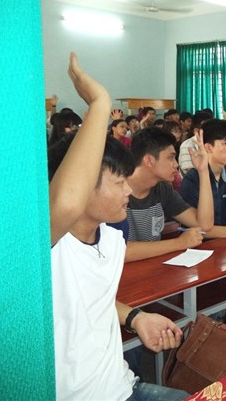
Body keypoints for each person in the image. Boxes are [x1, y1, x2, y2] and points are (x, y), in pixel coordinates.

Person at [49, 53, 187, 400]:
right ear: (83, 185)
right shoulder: (48, 245)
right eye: (118, 182)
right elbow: (66, 202)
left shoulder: (111, 238)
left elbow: (96, 301)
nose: (128, 191)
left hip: (124, 386)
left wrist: (136, 318)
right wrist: (99, 102)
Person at [116, 127, 212, 262]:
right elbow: (118, 251)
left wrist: (203, 171)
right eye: (171, 157)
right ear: (149, 160)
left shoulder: (162, 189)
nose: (176, 164)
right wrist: (179, 243)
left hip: (152, 268)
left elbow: (204, 225)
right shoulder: (115, 191)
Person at [180, 119, 226, 229]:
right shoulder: (192, 179)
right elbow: (200, 229)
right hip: (200, 239)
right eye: (225, 143)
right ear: (208, 147)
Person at [178, 109, 213, 175]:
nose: (211, 131)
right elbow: (190, 174)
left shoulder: (213, 143)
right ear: (196, 131)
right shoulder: (187, 146)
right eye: (207, 128)